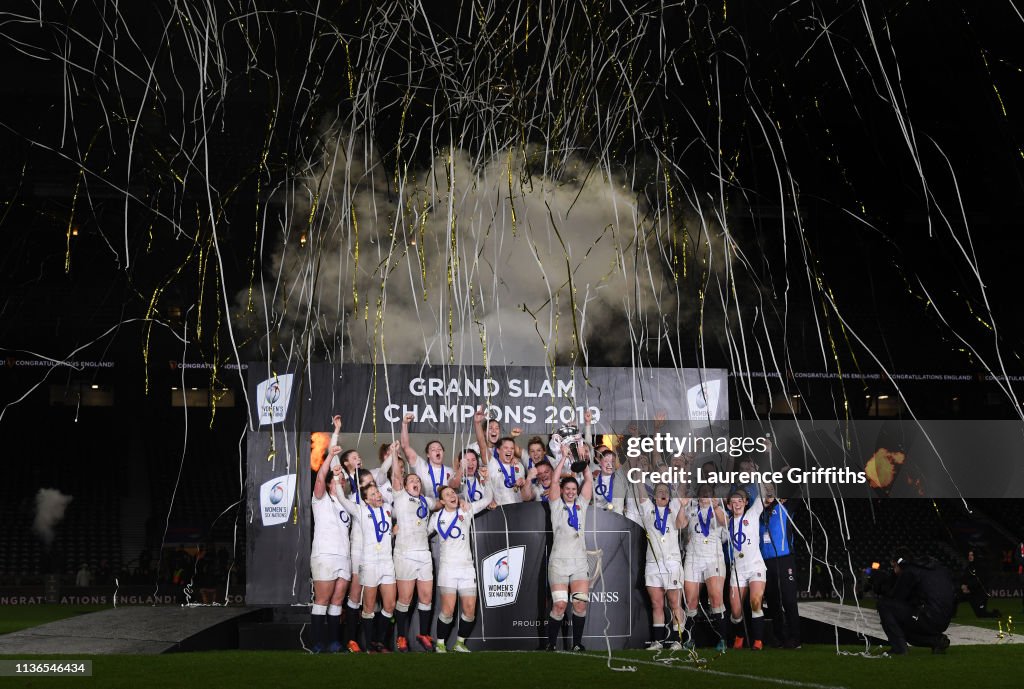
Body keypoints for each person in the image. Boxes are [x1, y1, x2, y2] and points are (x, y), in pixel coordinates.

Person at [428, 483, 494, 652]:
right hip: (448, 568)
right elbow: (422, 533)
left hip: (466, 568)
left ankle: (459, 643)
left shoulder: (466, 510)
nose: (452, 496)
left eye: (454, 493)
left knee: (470, 609)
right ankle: (440, 644)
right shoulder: (436, 518)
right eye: (448, 494)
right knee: (448, 610)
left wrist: (486, 480)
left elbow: (487, 499)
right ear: (442, 501)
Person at [544, 444, 594, 652]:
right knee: (560, 605)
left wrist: (583, 461)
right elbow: (554, 480)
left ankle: (577, 644)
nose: (572, 492)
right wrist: (563, 458)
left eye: (574, 489)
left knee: (580, 605)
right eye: (568, 489)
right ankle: (550, 644)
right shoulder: (556, 505)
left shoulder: (582, 504)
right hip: (558, 563)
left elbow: (589, 480)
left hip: (579, 563)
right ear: (563, 491)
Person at [338, 481, 397, 653]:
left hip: (387, 562)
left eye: (377, 492)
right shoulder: (361, 511)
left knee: (390, 605)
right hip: (369, 562)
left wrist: (394, 533)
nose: (377, 495)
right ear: (365, 500)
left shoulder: (387, 508)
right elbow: (342, 498)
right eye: (372, 494)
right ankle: (370, 645)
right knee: (369, 607)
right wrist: (336, 478)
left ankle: (379, 641)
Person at [309, 443, 352, 653]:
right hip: (324, 555)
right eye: (337, 479)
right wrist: (330, 457)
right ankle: (317, 643)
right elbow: (319, 477)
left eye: (343, 480)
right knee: (323, 600)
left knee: (337, 601)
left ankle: (334, 642)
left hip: (344, 557)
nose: (341, 482)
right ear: (328, 485)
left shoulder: (347, 503)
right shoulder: (321, 499)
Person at [392, 472, 441, 652]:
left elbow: (440, 502)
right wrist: (395, 452)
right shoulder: (401, 497)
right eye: (411, 480)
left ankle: (424, 634)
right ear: (404, 486)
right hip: (405, 554)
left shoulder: (426, 501)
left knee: (426, 598)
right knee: (405, 599)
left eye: (418, 480)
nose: (415, 482)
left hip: (424, 553)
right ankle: (402, 637)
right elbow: (395, 477)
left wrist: (452, 498)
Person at [875, 547, 953, 655]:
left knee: (883, 604)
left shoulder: (910, 571)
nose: (894, 570)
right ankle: (936, 641)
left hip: (929, 617)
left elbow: (896, 598)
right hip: (944, 620)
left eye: (894, 567)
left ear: (900, 563)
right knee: (903, 630)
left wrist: (883, 585)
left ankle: (899, 648)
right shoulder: (932, 567)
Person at [680, 485, 729, 651]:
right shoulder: (691, 508)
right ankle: (690, 639)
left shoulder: (717, 509)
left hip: (713, 557)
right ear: (698, 495)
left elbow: (726, 523)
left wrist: (715, 506)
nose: (705, 496)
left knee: (716, 598)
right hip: (693, 557)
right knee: (691, 601)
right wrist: (682, 506)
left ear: (713, 496)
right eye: (702, 493)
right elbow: (680, 524)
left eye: (708, 494)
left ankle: (722, 639)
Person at [638, 484, 687, 650]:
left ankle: (678, 640)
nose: (663, 494)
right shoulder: (647, 509)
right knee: (656, 604)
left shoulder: (674, 507)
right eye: (659, 491)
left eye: (666, 491)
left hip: (672, 563)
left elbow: (681, 524)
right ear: (654, 496)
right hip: (653, 564)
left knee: (675, 603)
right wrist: (636, 474)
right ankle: (658, 641)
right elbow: (641, 491)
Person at [725, 488, 768, 650]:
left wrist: (762, 471)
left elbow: (762, 495)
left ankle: (758, 641)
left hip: (755, 566)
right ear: (729, 506)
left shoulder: (752, 514)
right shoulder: (727, 523)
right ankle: (739, 635)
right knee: (736, 611)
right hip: (738, 570)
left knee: (755, 602)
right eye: (733, 502)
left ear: (746, 503)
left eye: (740, 501)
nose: (737, 504)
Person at [760, 492, 801, 648]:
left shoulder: (786, 505)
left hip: (784, 559)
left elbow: (799, 490)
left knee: (789, 600)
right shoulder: (757, 510)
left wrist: (788, 471)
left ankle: (795, 638)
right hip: (764, 561)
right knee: (773, 602)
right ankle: (779, 637)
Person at [401, 413, 453, 499]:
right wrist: (404, 424)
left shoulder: (450, 471)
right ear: (428, 454)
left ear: (443, 452)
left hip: (446, 508)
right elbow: (405, 447)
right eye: (433, 449)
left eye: (439, 449)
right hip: (426, 506)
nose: (437, 450)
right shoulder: (421, 465)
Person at [485, 436, 533, 506]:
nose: (509, 450)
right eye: (506, 448)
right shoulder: (493, 464)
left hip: (519, 508)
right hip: (500, 510)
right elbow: (482, 446)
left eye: (512, 448)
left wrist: (523, 482)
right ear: (498, 450)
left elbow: (523, 493)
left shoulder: (519, 465)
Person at [957, 550, 999, 619]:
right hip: (969, 592)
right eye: (969, 555)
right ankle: (951, 614)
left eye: (972, 555)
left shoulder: (981, 567)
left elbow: (979, 580)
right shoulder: (968, 567)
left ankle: (995, 613)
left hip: (980, 594)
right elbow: (963, 578)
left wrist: (968, 586)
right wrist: (962, 585)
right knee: (955, 597)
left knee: (981, 614)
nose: (970, 556)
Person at [592, 450, 625, 514]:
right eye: (606, 461)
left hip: (617, 519)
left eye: (612, 461)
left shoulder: (622, 480)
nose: (609, 464)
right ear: (600, 462)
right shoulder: (592, 480)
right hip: (598, 519)